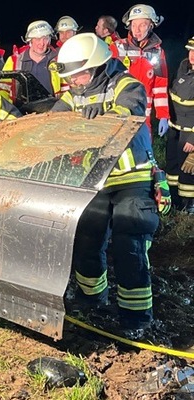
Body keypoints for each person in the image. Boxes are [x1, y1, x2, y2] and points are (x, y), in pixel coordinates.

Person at [52, 32, 167, 338]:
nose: (74, 82)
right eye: (71, 77)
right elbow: (54, 123)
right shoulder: (73, 94)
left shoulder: (126, 84)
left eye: (79, 75)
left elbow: (128, 112)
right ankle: (92, 300)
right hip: (95, 182)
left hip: (132, 180)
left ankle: (136, 319)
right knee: (88, 241)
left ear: (99, 66)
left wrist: (98, 119)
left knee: (129, 246)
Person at [110, 4, 169, 139]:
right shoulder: (117, 48)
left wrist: (163, 115)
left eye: (143, 25)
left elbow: (160, 86)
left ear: (151, 26)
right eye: (134, 24)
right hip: (119, 112)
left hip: (144, 115)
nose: (137, 30)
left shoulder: (158, 52)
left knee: (142, 154)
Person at [0, 20, 66, 102]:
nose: (42, 43)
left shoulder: (57, 59)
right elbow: (3, 88)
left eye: (45, 38)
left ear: (49, 40)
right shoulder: (15, 61)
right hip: (21, 111)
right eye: (37, 39)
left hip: (52, 109)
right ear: (30, 40)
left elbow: (65, 88)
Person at [166, 37, 194, 213]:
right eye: (191, 51)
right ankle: (174, 198)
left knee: (188, 169)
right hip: (174, 126)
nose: (192, 55)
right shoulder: (183, 66)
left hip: (190, 132)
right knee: (173, 164)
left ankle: (189, 204)